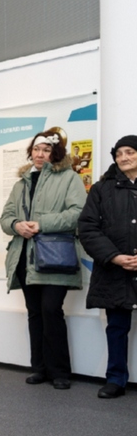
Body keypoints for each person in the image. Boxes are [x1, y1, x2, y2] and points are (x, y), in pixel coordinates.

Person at [0, 129, 87, 389]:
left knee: (51, 310)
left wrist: (41, 224)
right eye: (36, 149)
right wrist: (16, 226)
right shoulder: (21, 183)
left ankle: (59, 372)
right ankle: (39, 368)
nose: (40, 154)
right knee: (35, 313)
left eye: (46, 150)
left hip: (54, 256)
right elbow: (6, 218)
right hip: (24, 257)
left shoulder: (69, 177)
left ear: (55, 153)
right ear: (31, 152)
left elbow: (78, 213)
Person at [79, 135, 137, 399]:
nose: (124, 157)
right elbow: (88, 229)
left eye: (130, 152)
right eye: (119, 153)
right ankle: (115, 379)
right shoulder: (101, 189)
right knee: (116, 328)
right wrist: (114, 256)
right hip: (115, 271)